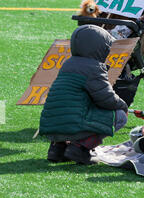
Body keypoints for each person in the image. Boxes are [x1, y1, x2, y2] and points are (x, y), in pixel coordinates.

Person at [39, 24, 128, 165]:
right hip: (72, 124)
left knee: (71, 110)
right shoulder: (93, 67)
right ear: (100, 48)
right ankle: (79, 148)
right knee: (120, 116)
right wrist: (123, 105)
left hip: (51, 125)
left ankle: (57, 149)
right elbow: (105, 98)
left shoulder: (68, 64)